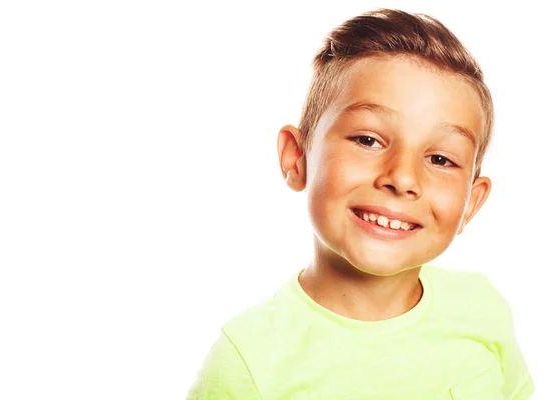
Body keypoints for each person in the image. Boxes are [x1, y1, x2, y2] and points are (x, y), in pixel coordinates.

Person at [186, 8, 534, 399]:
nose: (402, 178)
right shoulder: (248, 359)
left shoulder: (482, 308)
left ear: (472, 202)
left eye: (440, 159)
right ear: (297, 157)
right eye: (368, 140)